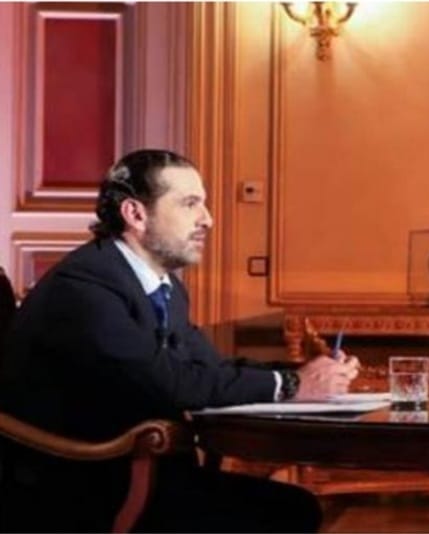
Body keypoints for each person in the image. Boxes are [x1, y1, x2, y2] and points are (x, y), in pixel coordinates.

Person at [0, 149, 360, 532]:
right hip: (78, 486)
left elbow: (209, 368)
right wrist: (292, 385)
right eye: (190, 204)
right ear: (135, 214)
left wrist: (304, 373)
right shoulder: (85, 287)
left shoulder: (162, 285)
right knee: (288, 512)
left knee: (294, 507)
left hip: (142, 472)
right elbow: (166, 382)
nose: (208, 219)